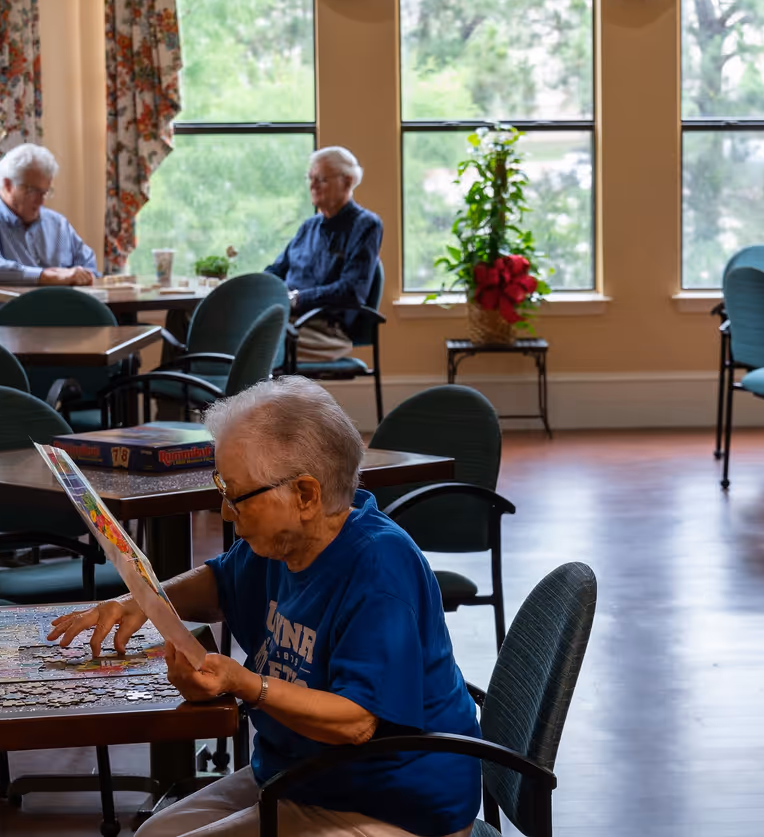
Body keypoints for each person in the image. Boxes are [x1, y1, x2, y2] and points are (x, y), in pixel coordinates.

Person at [46, 376, 481, 837]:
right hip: (301, 773)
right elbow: (219, 581)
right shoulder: (278, 541)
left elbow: (355, 723)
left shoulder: (379, 569)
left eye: (237, 496)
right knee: (152, 833)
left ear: (306, 495)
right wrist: (142, 602)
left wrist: (245, 684)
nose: (226, 513)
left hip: (390, 801)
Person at [0, 143, 99, 321]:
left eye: (46, 192)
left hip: (58, 320)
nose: (41, 201)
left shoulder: (58, 224)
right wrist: (44, 277)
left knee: (118, 330)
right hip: (2, 324)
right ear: (7, 185)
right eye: (32, 191)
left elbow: (87, 265)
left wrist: (81, 277)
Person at [265, 147, 384, 362]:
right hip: (289, 319)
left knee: (250, 341)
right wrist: (255, 290)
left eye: (320, 179)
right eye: (310, 178)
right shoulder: (309, 226)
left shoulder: (365, 225)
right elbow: (275, 271)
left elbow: (351, 291)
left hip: (326, 331)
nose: (312, 185)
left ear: (347, 181)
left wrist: (297, 299)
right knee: (228, 325)